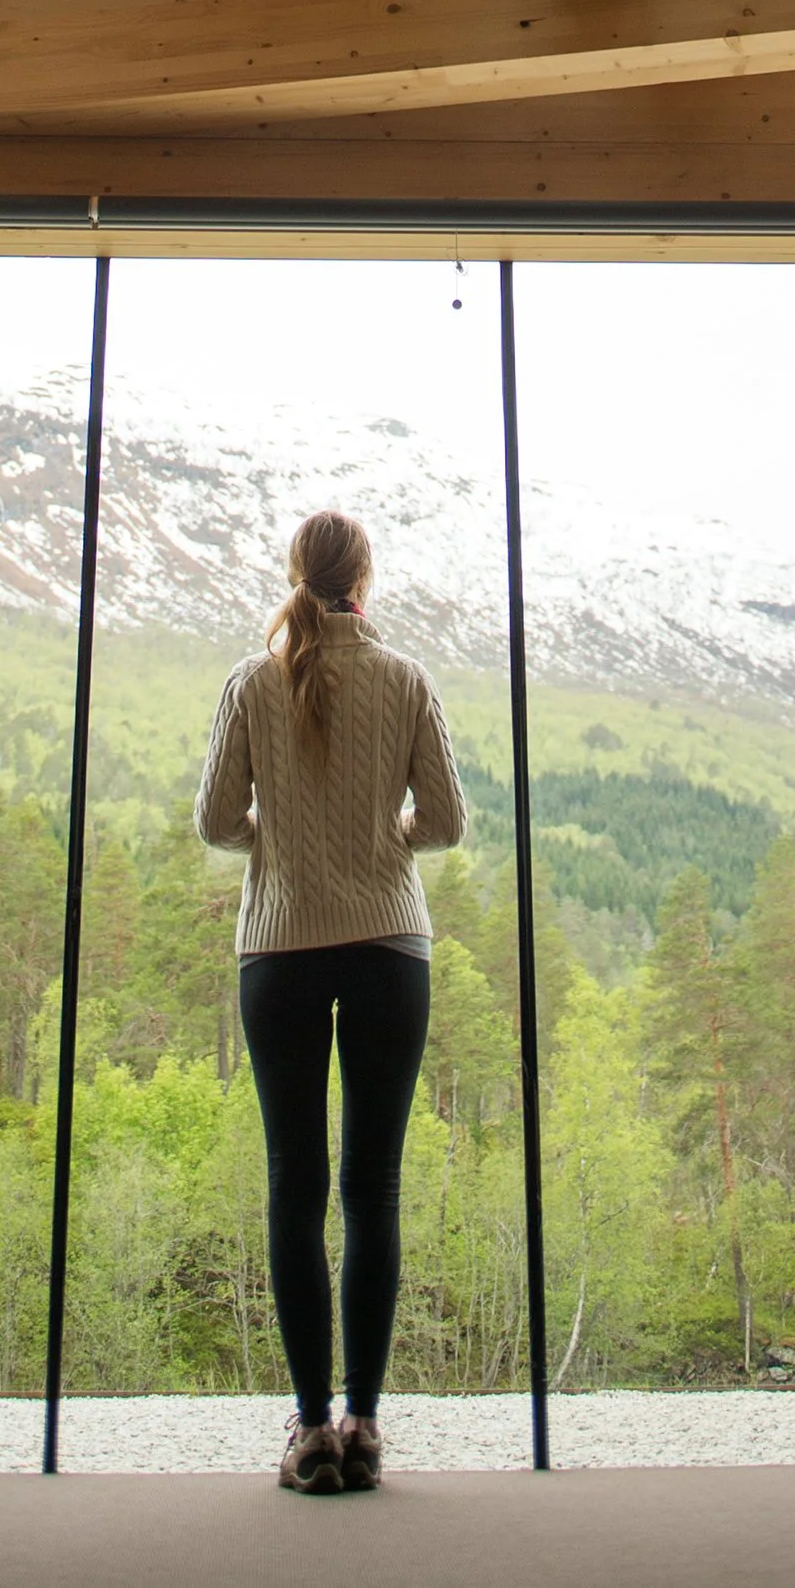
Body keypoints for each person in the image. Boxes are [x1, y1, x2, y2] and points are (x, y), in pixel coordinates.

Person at [195, 508, 467, 1494]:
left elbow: (217, 818)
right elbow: (444, 819)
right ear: (366, 580)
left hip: (279, 946)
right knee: (372, 1187)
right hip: (391, 943)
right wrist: (377, 826)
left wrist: (288, 826)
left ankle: (309, 1429)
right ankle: (364, 1422)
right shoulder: (404, 679)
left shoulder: (249, 682)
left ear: (295, 573)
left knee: (294, 1184)